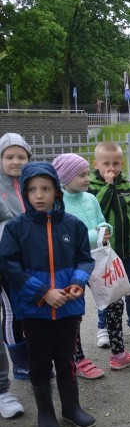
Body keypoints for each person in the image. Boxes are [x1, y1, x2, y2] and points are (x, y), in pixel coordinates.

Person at [0, 162, 96, 427]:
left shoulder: (73, 225)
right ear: (25, 194)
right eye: (32, 190)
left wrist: (77, 283)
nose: (39, 195)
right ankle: (46, 412)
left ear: (56, 190)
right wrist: (43, 293)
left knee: (65, 358)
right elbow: (9, 266)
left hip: (68, 307)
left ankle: (71, 408)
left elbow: (84, 259)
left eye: (45, 188)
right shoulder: (16, 229)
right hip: (35, 310)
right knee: (40, 362)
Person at [53, 153, 130, 372]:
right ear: (65, 177)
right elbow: (66, 237)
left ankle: (119, 354)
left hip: (99, 259)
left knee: (115, 301)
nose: (87, 179)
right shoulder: (57, 204)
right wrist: (95, 235)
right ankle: (78, 359)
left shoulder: (90, 198)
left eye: (86, 174)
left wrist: (107, 230)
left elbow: (101, 221)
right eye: (81, 175)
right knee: (74, 310)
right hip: (71, 264)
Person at [89, 141, 130, 345]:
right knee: (106, 289)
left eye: (115, 163)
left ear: (122, 163)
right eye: (106, 163)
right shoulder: (90, 188)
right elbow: (98, 211)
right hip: (104, 253)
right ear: (95, 164)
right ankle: (103, 327)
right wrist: (109, 186)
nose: (111, 168)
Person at [0, 133, 33, 380]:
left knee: (27, 308)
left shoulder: (32, 183)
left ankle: (31, 355)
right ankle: (20, 364)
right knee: (11, 310)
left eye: (21, 156)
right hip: (5, 259)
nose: (15, 161)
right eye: (9, 156)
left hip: (29, 257)